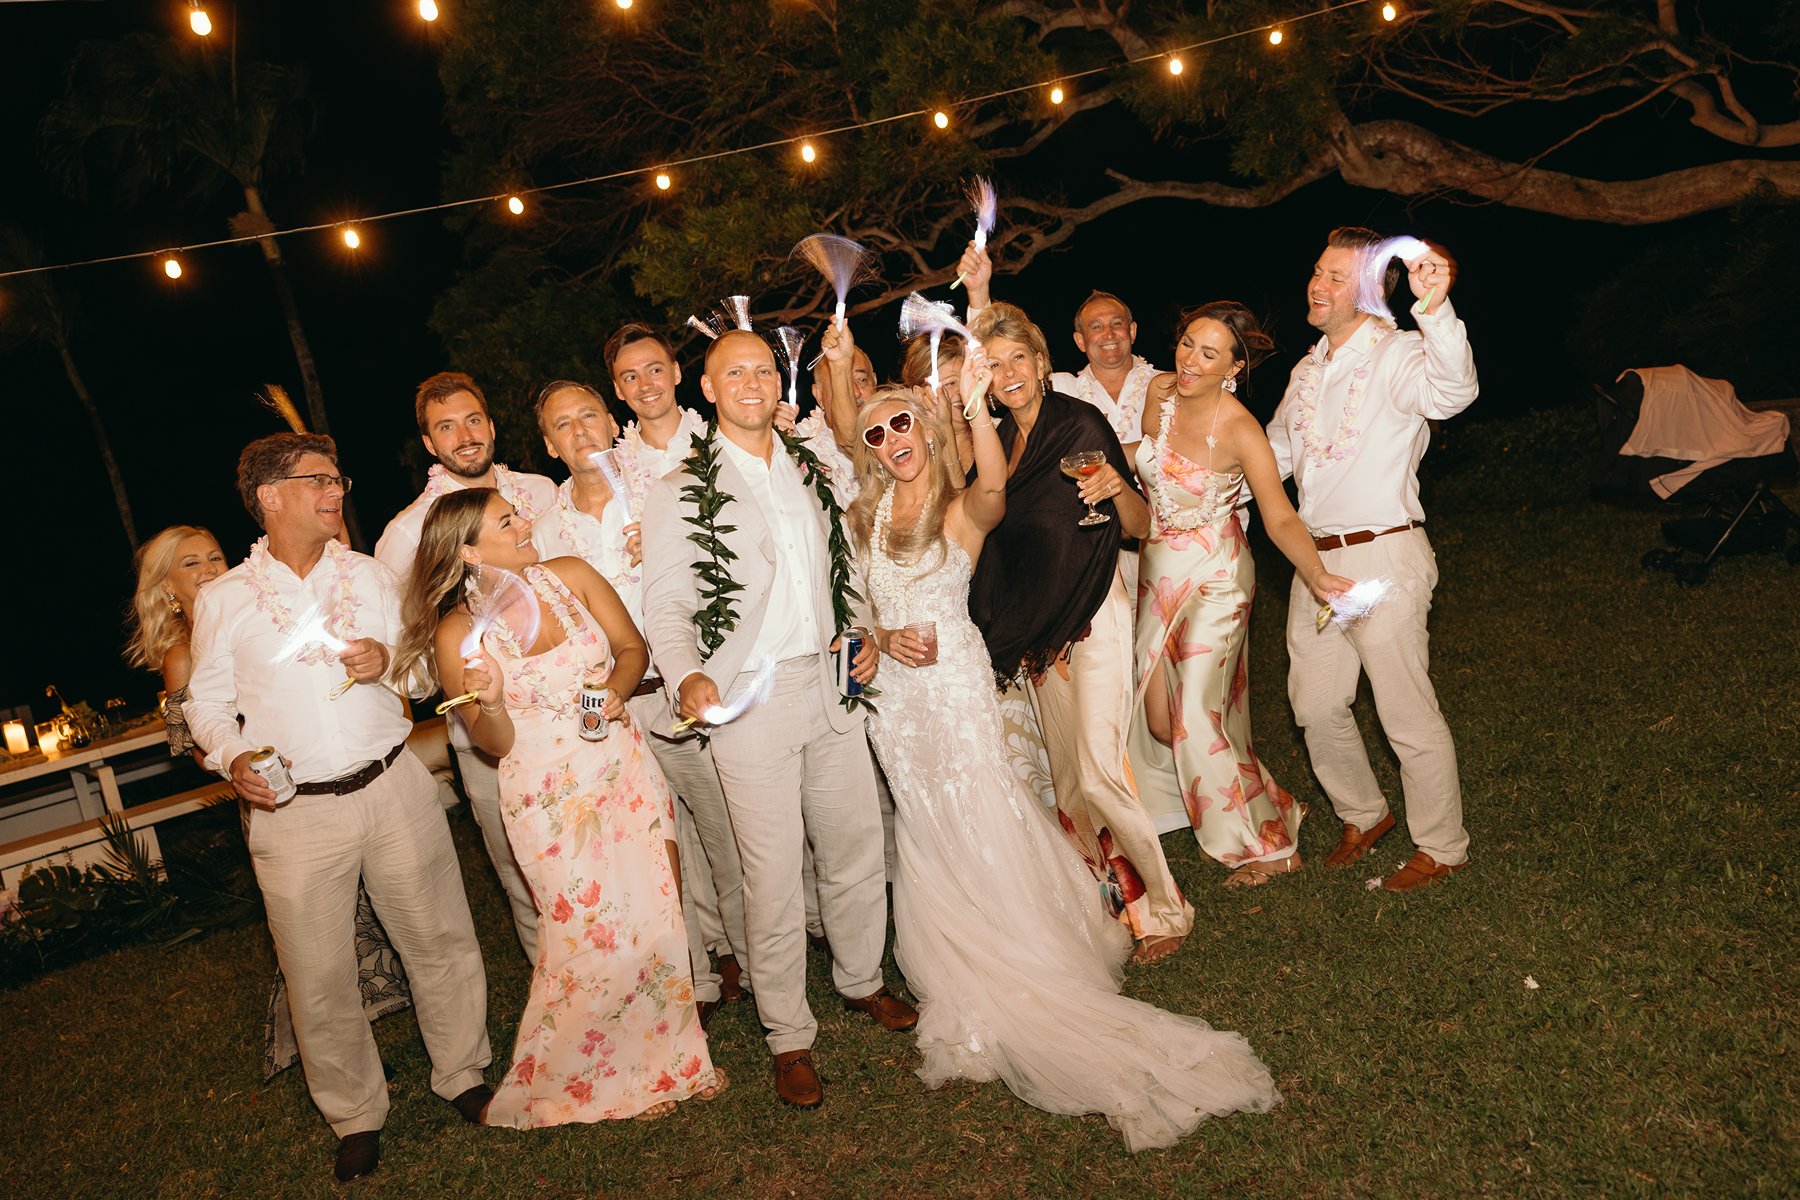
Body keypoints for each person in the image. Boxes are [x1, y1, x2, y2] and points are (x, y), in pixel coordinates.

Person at [847, 372, 1281, 1150]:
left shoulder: (964, 506)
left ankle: (1021, 953)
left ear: (926, 428)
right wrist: (878, 642)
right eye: (875, 434)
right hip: (898, 711)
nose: (892, 441)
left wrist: (976, 407)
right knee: (927, 825)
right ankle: (959, 961)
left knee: (983, 809)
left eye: (903, 423)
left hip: (952, 692)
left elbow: (989, 477)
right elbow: (871, 610)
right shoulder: (868, 516)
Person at [185, 433, 492, 1183]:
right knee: (317, 976)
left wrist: (391, 663)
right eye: (318, 480)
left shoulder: (374, 579)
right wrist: (233, 760)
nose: (336, 492)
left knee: (440, 940)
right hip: (295, 815)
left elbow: (423, 673)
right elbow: (207, 705)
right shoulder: (225, 601)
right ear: (268, 496)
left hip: (392, 785)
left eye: (337, 478)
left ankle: (465, 1074)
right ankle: (355, 1115)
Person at [640, 327, 917, 1110]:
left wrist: (860, 632)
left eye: (763, 368)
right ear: (709, 386)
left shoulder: (809, 468)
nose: (753, 382)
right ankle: (787, 1036)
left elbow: (841, 568)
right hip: (748, 702)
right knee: (770, 876)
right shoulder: (677, 490)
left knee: (856, 845)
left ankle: (863, 979)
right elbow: (666, 602)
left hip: (827, 683)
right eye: (736, 372)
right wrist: (689, 672)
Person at [390, 487, 724, 1126]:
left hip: (623, 769)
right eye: (506, 520)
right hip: (545, 797)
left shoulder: (570, 575)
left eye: (519, 514)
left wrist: (616, 691)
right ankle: (591, 1073)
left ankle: (671, 1064)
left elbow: (633, 650)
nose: (524, 524)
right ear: (466, 550)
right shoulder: (459, 633)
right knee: (588, 935)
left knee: (656, 917)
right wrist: (488, 699)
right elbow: (495, 744)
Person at [125, 524, 414, 1079]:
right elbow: (194, 741)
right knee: (311, 947)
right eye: (191, 564)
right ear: (165, 588)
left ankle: (368, 1019)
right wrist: (243, 757)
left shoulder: (243, 609)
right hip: (269, 788)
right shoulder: (182, 654)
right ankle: (324, 1048)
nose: (209, 568)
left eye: (214, 555)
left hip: (316, 775)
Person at [963, 300, 1195, 962]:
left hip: (1093, 612)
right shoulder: (999, 445)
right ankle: (1111, 906)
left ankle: (1169, 910)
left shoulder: (1079, 422)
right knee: (1069, 786)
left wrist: (1115, 490)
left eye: (1018, 359)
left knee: (1098, 775)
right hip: (1039, 634)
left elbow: (1142, 525)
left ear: (1042, 365)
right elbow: (1000, 548)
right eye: (994, 363)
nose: (1008, 372)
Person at [533, 375, 751, 1026]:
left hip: (682, 688)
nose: (580, 431)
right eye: (563, 424)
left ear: (611, 420)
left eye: (589, 416)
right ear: (548, 445)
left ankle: (757, 964)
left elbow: (729, 571)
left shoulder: (666, 490)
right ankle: (697, 976)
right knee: (655, 848)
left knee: (726, 832)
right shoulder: (544, 532)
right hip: (612, 710)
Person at [1266, 227, 1478, 892]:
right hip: (1317, 563)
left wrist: (1435, 308)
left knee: (1403, 710)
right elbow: (1270, 461)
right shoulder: (1305, 372)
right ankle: (1365, 813)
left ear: (1365, 293)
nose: (1317, 285)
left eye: (1335, 277)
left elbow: (1453, 392)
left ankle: (1443, 846)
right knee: (1316, 703)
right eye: (1317, 271)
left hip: (1384, 553)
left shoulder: (1399, 353)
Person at [1127, 303, 1354, 885]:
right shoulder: (1160, 396)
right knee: (1158, 720)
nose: (1190, 360)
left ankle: (1271, 849)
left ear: (1234, 366)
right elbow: (1150, 463)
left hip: (1217, 578)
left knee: (1197, 717)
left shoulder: (1240, 427)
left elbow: (1278, 517)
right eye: (1186, 344)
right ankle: (1271, 804)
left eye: (1209, 353)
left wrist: (1317, 573)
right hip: (1158, 572)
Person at [374, 371, 556, 963]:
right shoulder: (407, 533)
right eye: (445, 427)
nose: (465, 435)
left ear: (492, 423)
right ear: (429, 444)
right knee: (522, 874)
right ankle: (560, 1003)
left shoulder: (543, 492)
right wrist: (460, 665)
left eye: (473, 419)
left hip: (575, 709)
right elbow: (407, 652)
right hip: (485, 731)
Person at [607, 324, 750, 995]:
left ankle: (760, 942)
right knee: (678, 826)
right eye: (630, 377)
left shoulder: (723, 438)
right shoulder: (607, 472)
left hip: (727, 657)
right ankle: (710, 950)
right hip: (650, 674)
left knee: (739, 814)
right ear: (619, 389)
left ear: (676, 371)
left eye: (654, 369)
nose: (645, 385)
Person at [899, 331, 975, 482]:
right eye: (951, 383)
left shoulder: (998, 430)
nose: (963, 390)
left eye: (967, 379)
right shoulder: (913, 453)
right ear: (921, 394)